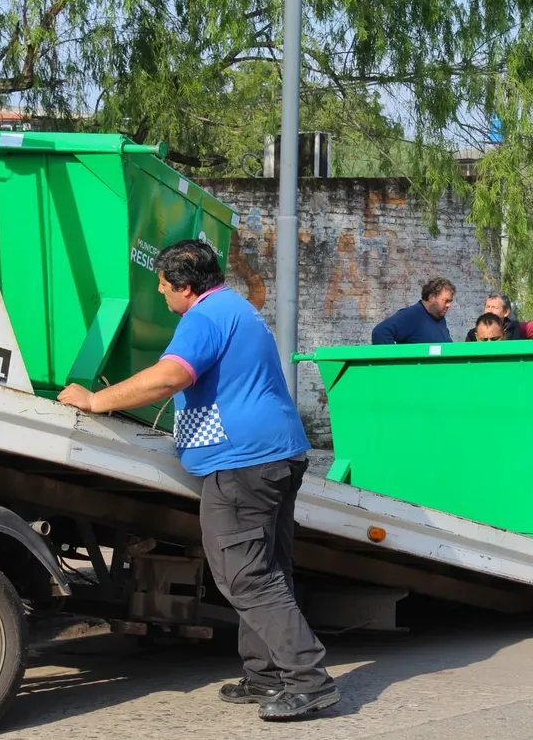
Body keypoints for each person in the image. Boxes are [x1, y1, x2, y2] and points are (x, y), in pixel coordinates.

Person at [57, 240, 340, 720]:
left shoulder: (203, 318)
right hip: (278, 454)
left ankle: (309, 680)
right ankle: (265, 675)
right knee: (267, 570)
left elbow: (170, 378)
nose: (163, 297)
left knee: (244, 576)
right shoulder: (238, 308)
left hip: (242, 464)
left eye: (165, 288)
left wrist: (95, 402)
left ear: (186, 288)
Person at [372, 278, 454, 344]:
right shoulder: (413, 315)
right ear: (431, 297)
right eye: (446, 301)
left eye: (450, 301)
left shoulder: (439, 317)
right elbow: (380, 332)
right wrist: (393, 362)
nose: (449, 305)